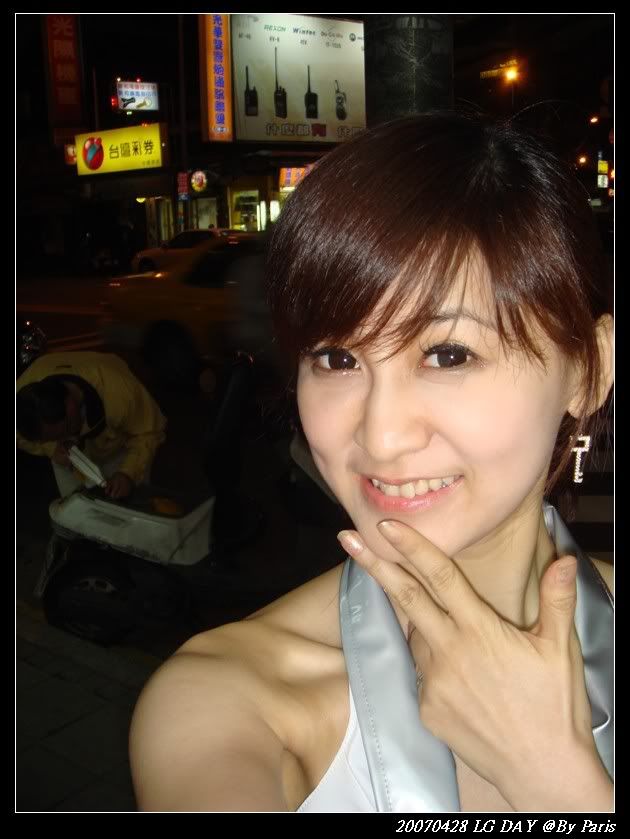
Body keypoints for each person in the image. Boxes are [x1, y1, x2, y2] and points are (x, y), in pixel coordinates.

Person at [129, 112, 614, 812]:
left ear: (588, 370)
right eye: (337, 358)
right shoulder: (230, 701)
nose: (381, 438)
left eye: (448, 354)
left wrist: (553, 778)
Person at [17, 351, 166, 500]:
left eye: (67, 429)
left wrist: (128, 473)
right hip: (66, 457)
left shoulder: (120, 392)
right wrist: (52, 448)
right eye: (53, 438)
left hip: (121, 443)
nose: (68, 439)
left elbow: (149, 431)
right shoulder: (20, 402)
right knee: (77, 507)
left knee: (129, 503)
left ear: (69, 404)